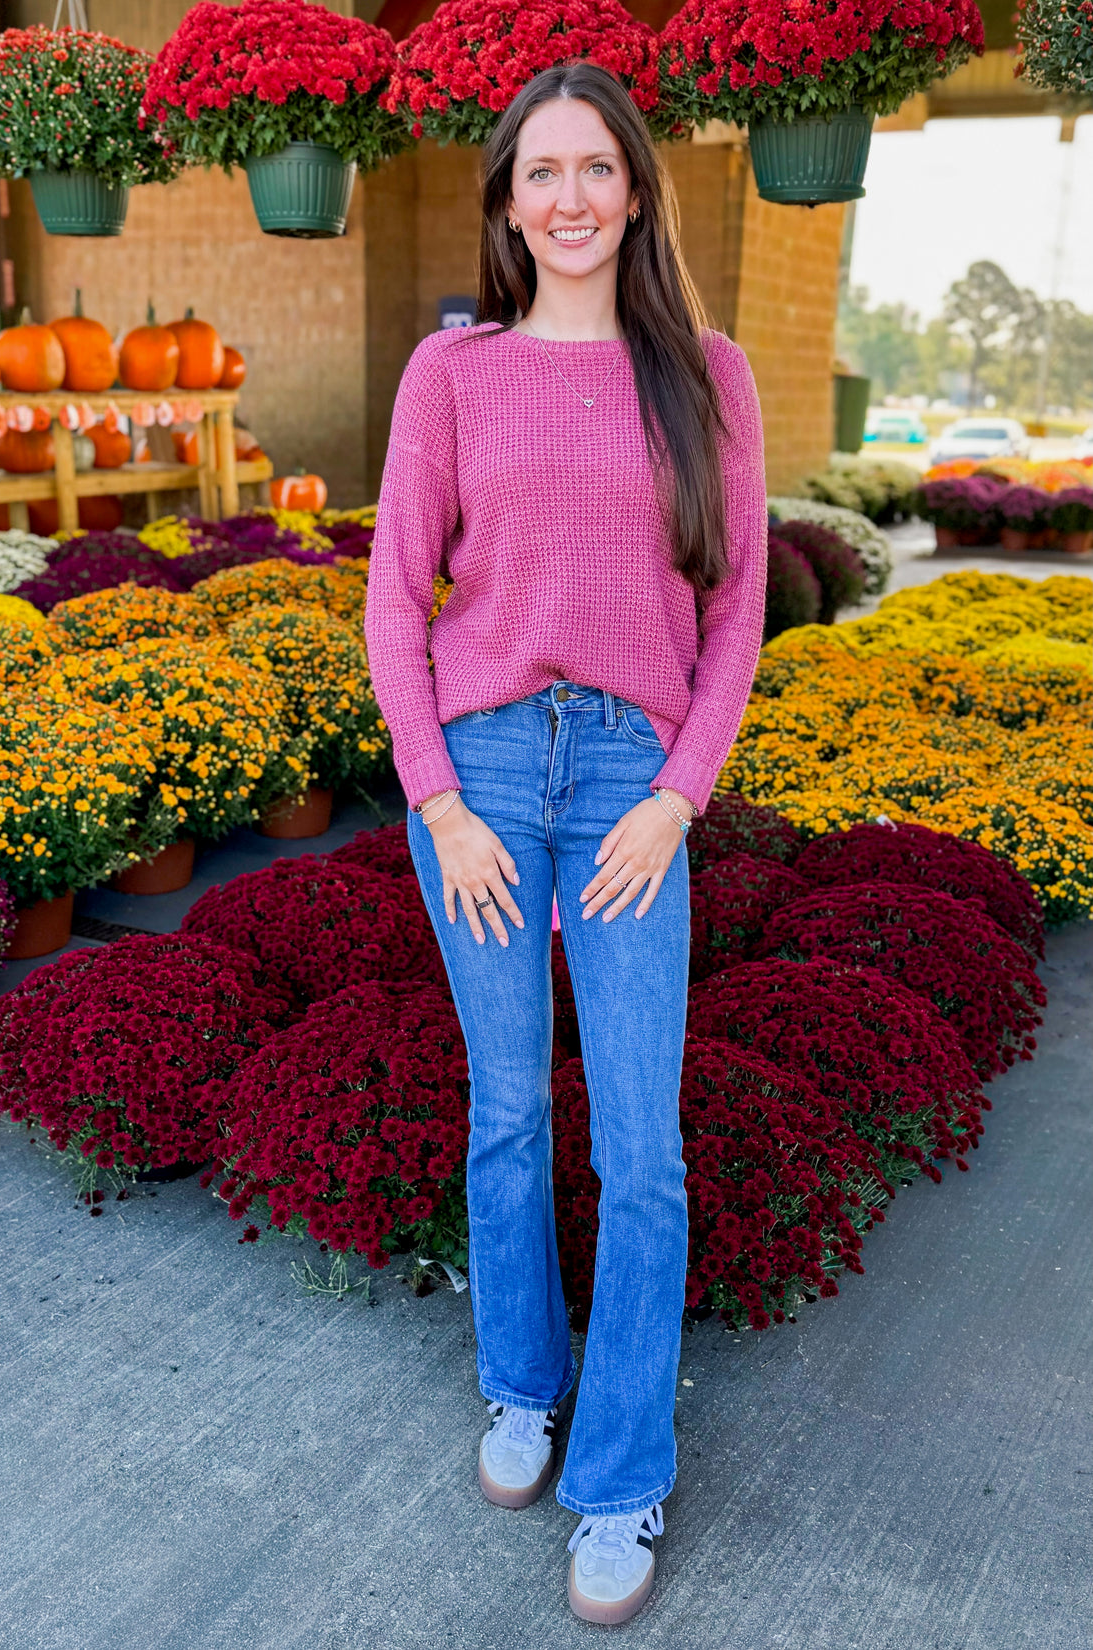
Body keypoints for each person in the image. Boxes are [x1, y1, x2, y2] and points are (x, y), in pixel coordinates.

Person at [363, 59, 767, 1627]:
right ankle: (521, 1386)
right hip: (479, 781)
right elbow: (398, 600)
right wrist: (438, 797)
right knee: (512, 1105)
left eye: (600, 167)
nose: (574, 196)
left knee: (644, 1146)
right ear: (507, 202)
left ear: (638, 190)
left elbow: (732, 611)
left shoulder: (707, 372)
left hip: (629, 784)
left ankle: (620, 1469)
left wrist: (678, 792)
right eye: (544, 170)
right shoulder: (450, 376)